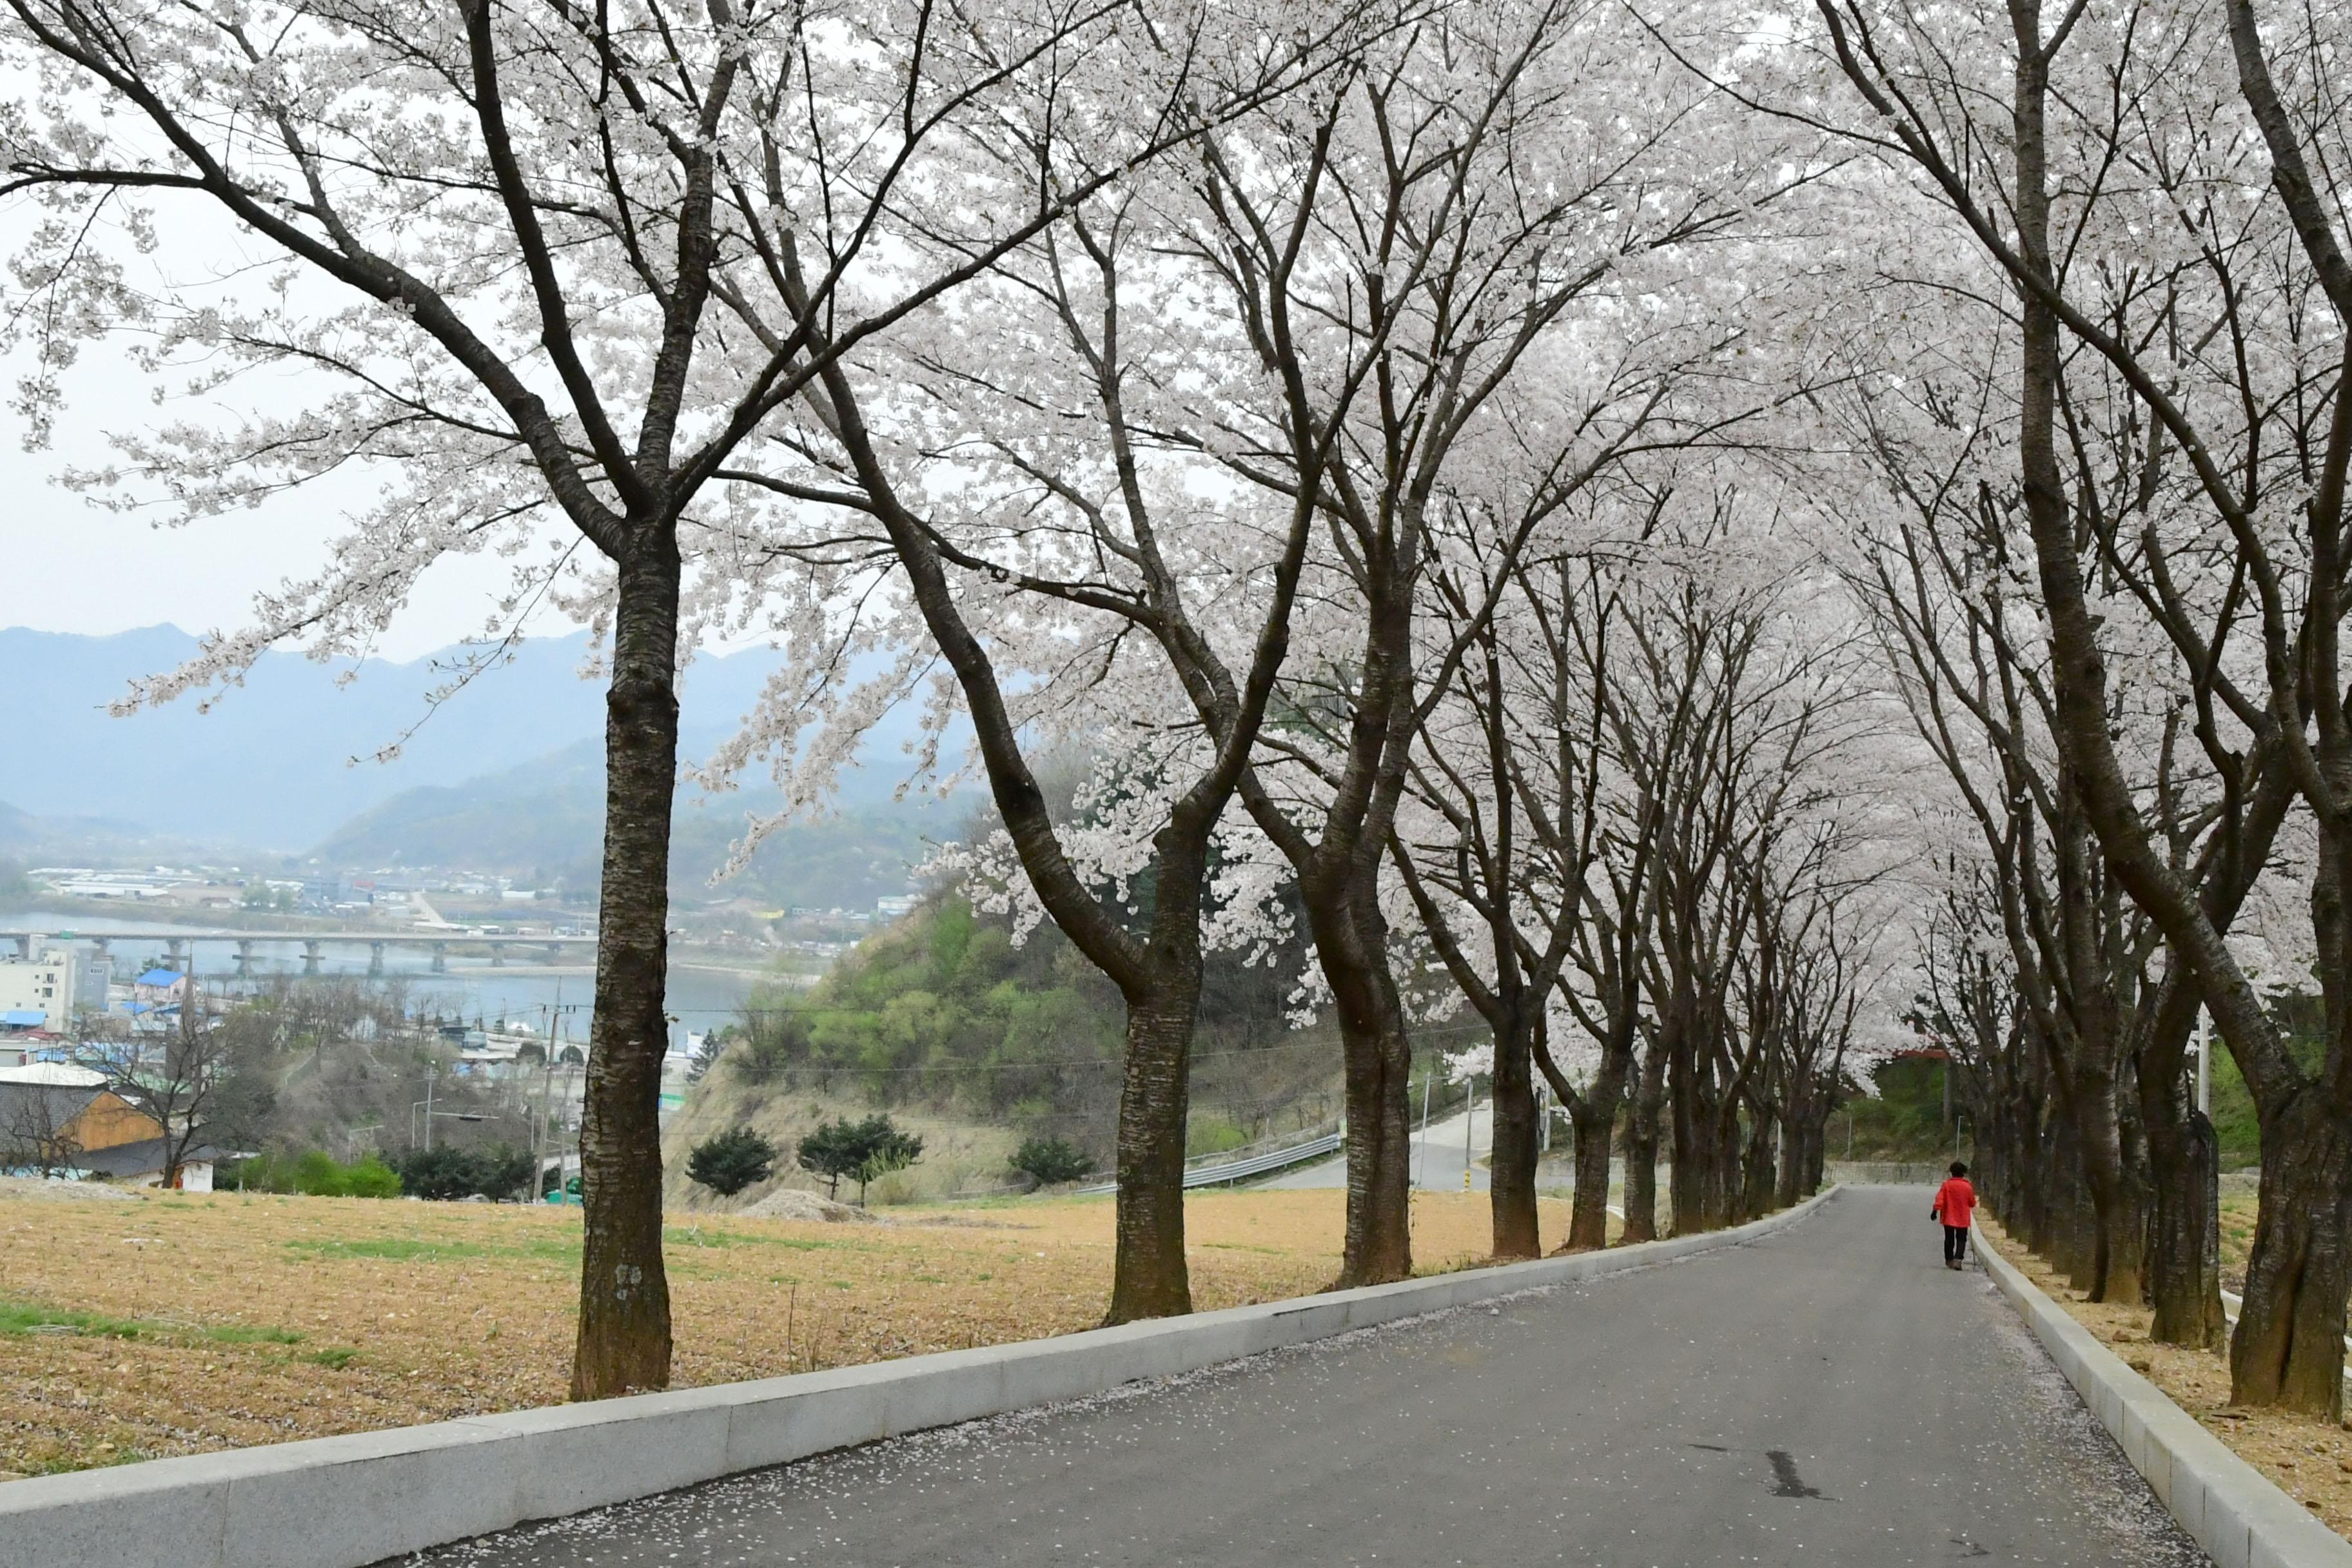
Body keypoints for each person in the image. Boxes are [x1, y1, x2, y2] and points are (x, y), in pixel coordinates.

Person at [1933, 1161, 1977, 1269]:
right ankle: (1958, 1259)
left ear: (1952, 1173)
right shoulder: (1967, 1186)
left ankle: (1949, 1260)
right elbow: (1972, 1202)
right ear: (1964, 1173)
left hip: (1948, 1216)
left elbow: (1940, 1199)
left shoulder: (1947, 1185)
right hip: (1962, 1217)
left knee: (1949, 1239)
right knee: (1961, 1239)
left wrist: (1935, 1210)